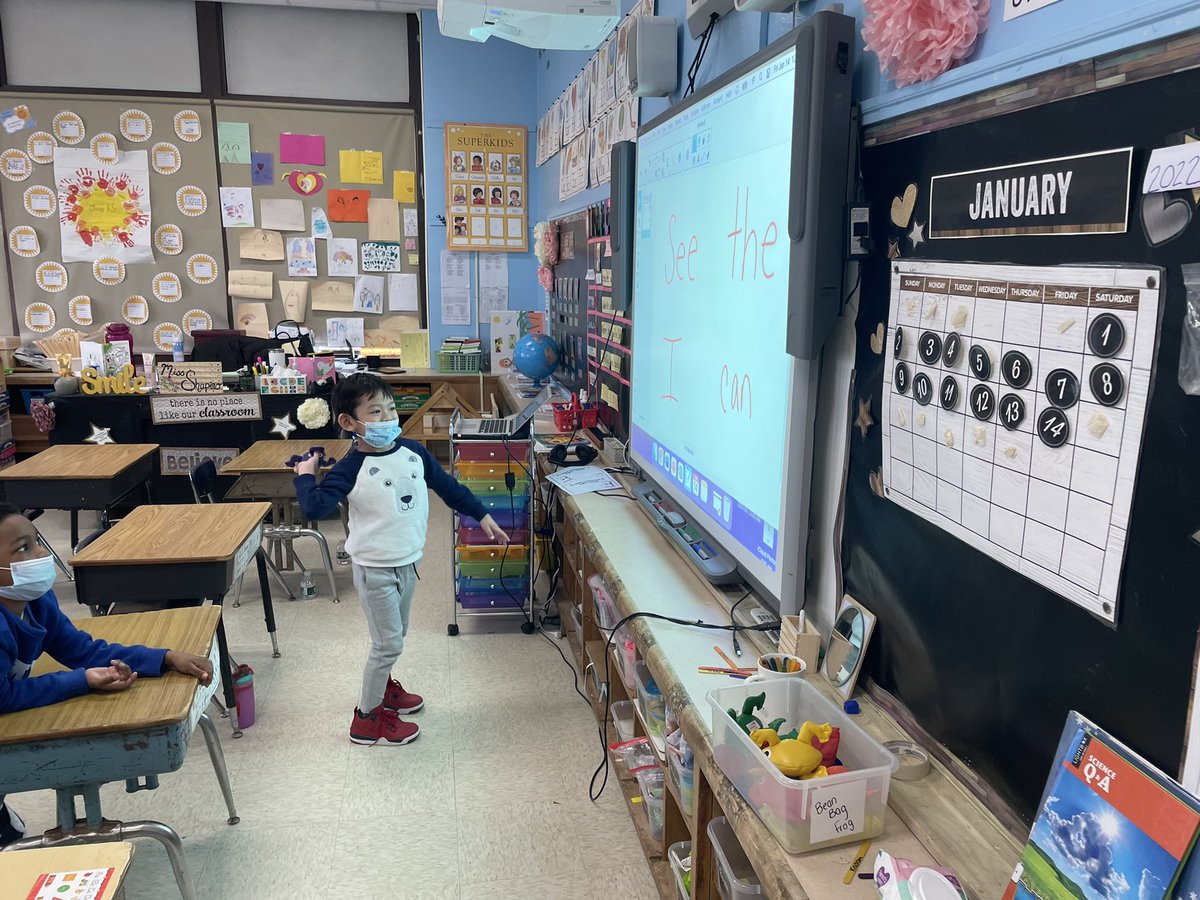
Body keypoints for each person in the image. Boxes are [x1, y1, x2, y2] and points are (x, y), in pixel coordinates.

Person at [293, 373, 509, 747]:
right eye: (375, 412)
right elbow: (314, 505)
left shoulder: (413, 452)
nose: (388, 418)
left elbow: (449, 488)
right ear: (349, 422)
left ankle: (385, 688)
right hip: (374, 569)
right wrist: (305, 474)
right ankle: (367, 719)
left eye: (391, 409)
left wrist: (482, 514)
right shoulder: (350, 468)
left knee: (396, 636)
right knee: (387, 644)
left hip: (408, 563)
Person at [0, 503, 213, 847]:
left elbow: (84, 650)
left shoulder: (38, 603)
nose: (41, 553)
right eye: (24, 548)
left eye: (37, 541)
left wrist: (163, 658)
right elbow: (4, 696)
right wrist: (80, 681)